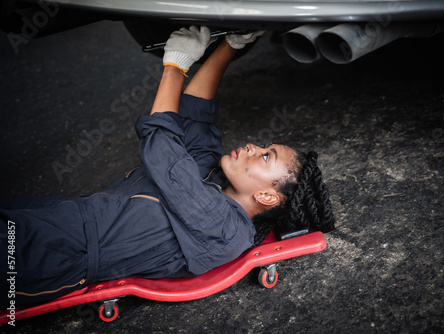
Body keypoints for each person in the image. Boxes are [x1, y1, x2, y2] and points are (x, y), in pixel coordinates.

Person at [0, 26, 335, 308]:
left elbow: (162, 150)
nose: (253, 146)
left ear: (266, 196)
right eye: (264, 146)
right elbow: (193, 118)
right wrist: (230, 47)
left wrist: (174, 66)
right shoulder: (214, 180)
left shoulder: (227, 229)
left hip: (51, 255)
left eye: (265, 156)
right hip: (57, 215)